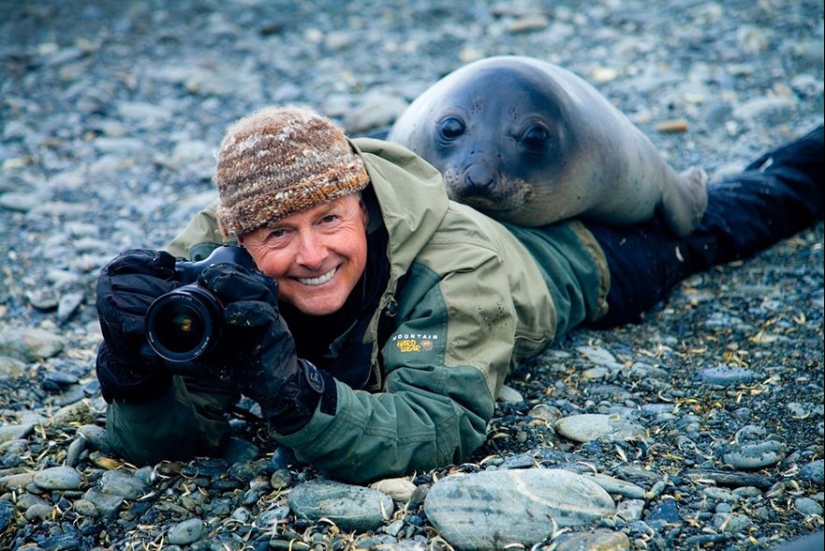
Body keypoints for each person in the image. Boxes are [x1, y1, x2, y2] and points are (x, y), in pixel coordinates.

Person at [94, 106, 823, 483]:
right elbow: (174, 440)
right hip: (476, 191)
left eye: (328, 220)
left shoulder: (453, 265)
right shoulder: (213, 264)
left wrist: (290, 391)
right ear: (238, 235)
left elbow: (440, 422)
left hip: (577, 257)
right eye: (278, 234)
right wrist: (134, 368)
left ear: (364, 210)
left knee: (728, 214)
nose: (310, 255)